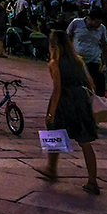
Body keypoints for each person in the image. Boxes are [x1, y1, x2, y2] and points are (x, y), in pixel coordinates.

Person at [38, 29, 101, 194]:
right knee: (85, 142)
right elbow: (90, 83)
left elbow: (57, 88)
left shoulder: (55, 62)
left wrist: (50, 112)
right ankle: (92, 181)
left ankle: (51, 169)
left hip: (65, 101)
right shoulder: (78, 60)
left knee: (53, 133)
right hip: (80, 100)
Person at [67, 9, 107, 95]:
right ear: (89, 19)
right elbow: (68, 37)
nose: (97, 26)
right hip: (78, 59)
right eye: (95, 23)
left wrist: (104, 62)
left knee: (96, 84)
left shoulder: (102, 28)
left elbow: (104, 45)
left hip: (94, 60)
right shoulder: (76, 23)